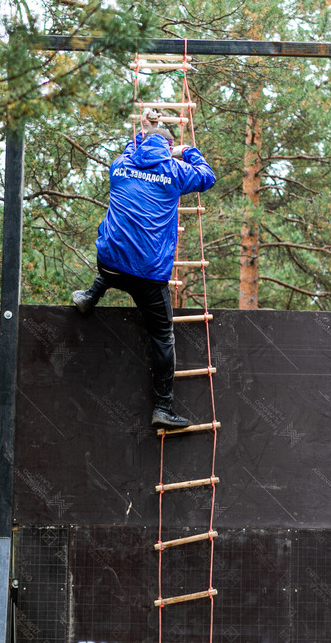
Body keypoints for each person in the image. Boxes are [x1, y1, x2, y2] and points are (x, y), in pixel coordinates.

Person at [72, 115, 216, 430]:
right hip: (148, 275)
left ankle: (91, 295)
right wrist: (187, 149)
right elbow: (207, 177)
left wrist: (147, 132)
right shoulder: (175, 170)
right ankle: (163, 408)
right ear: (168, 149)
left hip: (109, 263)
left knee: (115, 254)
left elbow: (133, 147)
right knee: (163, 336)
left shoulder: (120, 165)